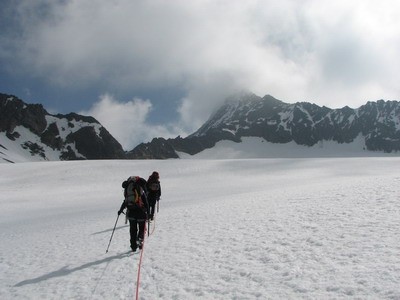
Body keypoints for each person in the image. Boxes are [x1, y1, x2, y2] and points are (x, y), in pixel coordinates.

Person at [118, 176, 149, 252]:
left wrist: (120, 210)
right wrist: (148, 212)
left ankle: (133, 246)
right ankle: (140, 240)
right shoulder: (139, 188)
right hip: (141, 212)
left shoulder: (127, 190)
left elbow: (125, 201)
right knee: (141, 228)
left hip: (131, 212)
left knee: (133, 230)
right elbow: (145, 201)